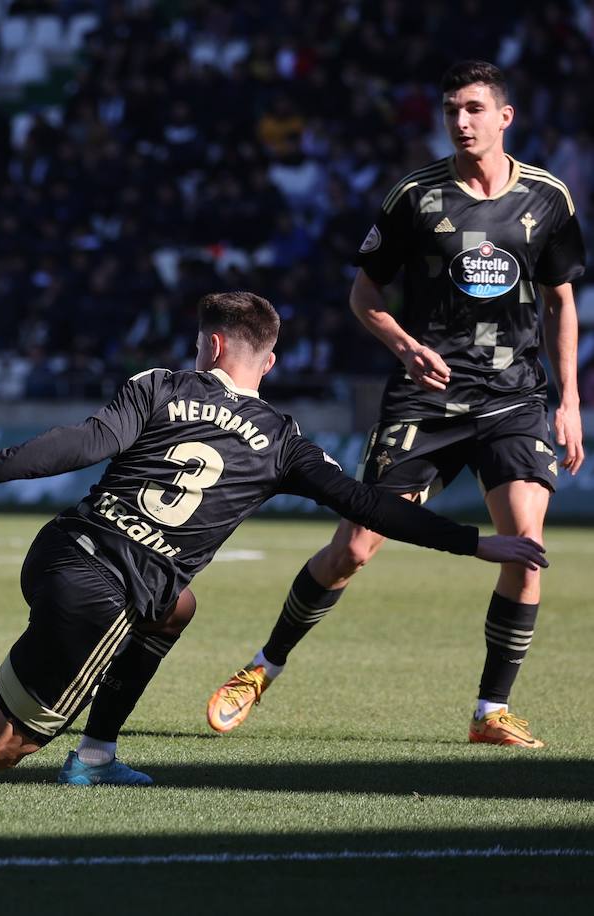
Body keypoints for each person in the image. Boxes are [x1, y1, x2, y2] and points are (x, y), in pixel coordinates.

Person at [0, 291, 548, 788]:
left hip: (63, 549)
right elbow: (369, 503)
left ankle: (95, 757)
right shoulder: (282, 437)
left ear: (207, 346)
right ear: (264, 360)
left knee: (179, 605)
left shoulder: (158, 386)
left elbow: (81, 442)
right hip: (104, 595)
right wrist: (475, 545)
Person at [206, 61, 584, 749]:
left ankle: (489, 711)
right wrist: (406, 347)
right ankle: (264, 665)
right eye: (450, 110)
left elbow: (561, 301)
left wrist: (571, 401)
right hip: (428, 397)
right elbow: (364, 296)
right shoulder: (415, 197)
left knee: (526, 550)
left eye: (473, 109)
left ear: (506, 117)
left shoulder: (549, 199)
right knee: (354, 547)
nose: (460, 121)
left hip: (514, 399)